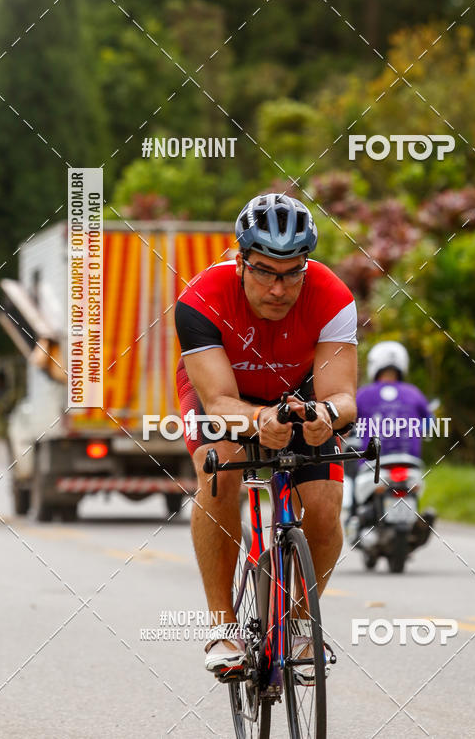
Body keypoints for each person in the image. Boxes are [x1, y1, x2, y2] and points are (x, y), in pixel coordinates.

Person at [174, 193, 357, 679]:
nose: (279, 288)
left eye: (292, 272)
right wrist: (258, 422)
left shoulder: (333, 296)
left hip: (297, 393)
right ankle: (222, 627)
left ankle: (298, 624)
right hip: (223, 389)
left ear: (306, 265)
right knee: (218, 472)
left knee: (323, 504)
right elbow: (217, 403)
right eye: (264, 271)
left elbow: (343, 398)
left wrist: (324, 414)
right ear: (240, 262)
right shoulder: (200, 298)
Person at [345, 341, 435, 542]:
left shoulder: (364, 394)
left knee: (351, 478)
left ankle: (353, 519)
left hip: (374, 462)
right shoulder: (413, 392)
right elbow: (430, 424)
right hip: (409, 461)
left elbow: (347, 422)